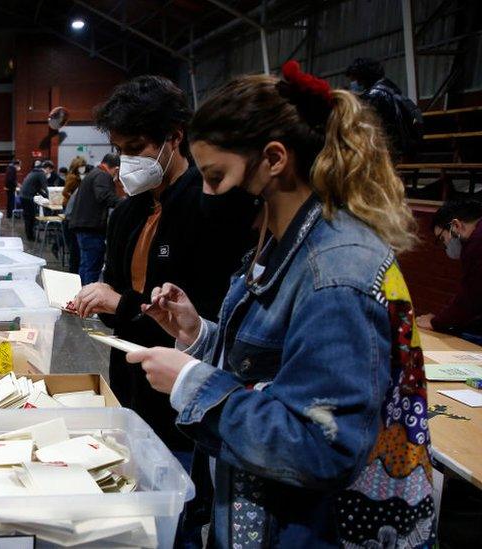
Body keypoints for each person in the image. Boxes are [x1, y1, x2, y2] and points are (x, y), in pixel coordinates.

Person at [126, 61, 434, 547]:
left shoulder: (335, 273)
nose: (208, 194)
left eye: (216, 175)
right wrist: (199, 336)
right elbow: (277, 368)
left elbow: (323, 446)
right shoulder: (280, 244)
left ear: (273, 159)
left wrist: (191, 383)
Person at [71, 75, 257, 470]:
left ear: (174, 137)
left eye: (136, 148)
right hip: (128, 380)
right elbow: (117, 296)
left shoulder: (210, 208)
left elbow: (207, 315)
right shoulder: (127, 212)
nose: (126, 162)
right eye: (120, 150)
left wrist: (121, 303)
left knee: (178, 501)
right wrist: (100, 299)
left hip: (180, 396)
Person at [416, 198, 482, 340]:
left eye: (442, 238)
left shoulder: (477, 244)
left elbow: (470, 299)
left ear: (456, 226)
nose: (445, 245)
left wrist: (436, 322)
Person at [345, 57, 423, 159]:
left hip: (388, 148)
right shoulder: (389, 88)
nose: (353, 83)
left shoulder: (374, 95)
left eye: (354, 79)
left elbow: (366, 124)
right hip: (403, 144)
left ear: (363, 76)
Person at [68, 153, 121, 284]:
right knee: (92, 266)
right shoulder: (103, 175)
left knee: (86, 264)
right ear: (116, 168)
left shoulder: (93, 174)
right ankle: (88, 299)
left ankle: (81, 295)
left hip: (83, 226)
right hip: (91, 227)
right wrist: (124, 203)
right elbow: (103, 196)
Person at [61, 156, 87, 274]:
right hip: (69, 206)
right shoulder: (72, 178)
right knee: (73, 245)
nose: (83, 168)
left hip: (73, 206)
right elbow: (64, 192)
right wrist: (74, 199)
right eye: (81, 166)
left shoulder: (79, 177)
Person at [19, 162, 49, 241]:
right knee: (30, 217)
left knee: (28, 217)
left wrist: (45, 196)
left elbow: (38, 188)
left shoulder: (34, 172)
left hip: (23, 196)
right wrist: (50, 196)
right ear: (48, 168)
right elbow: (45, 187)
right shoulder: (41, 174)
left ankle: (30, 236)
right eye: (50, 170)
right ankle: (31, 237)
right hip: (28, 197)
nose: (49, 173)